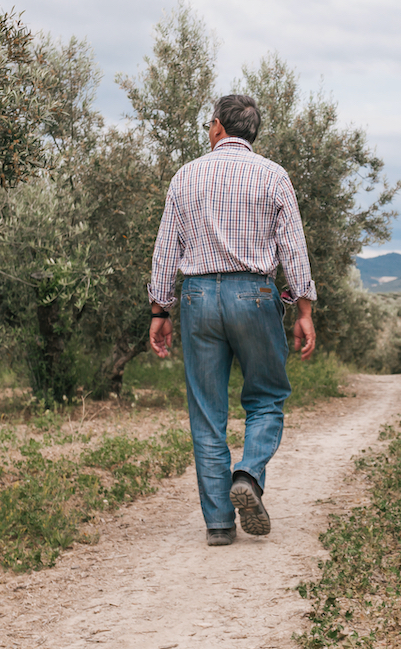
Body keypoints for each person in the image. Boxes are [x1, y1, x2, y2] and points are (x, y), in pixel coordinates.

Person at [148, 93, 316, 547]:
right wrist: (304, 310)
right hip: (255, 294)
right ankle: (248, 473)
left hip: (199, 296)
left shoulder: (186, 176)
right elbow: (293, 249)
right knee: (266, 398)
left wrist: (160, 310)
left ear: (219, 127)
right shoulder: (273, 176)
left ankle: (219, 524)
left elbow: (167, 249)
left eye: (209, 124)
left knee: (207, 412)